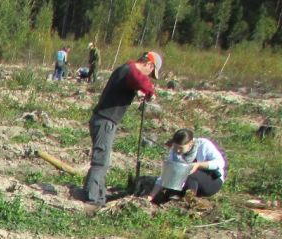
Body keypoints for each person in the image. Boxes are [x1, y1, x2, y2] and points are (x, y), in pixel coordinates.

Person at [82, 51, 161, 206]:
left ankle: (95, 193)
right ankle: (93, 200)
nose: (149, 76)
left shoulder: (125, 70)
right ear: (149, 64)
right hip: (105, 121)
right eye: (151, 72)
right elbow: (142, 82)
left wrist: (137, 92)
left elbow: (132, 84)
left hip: (102, 119)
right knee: (101, 161)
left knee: (101, 159)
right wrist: (150, 93)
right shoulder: (131, 70)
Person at [148, 128, 227, 205]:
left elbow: (220, 163)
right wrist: (151, 196)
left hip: (213, 179)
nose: (177, 150)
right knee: (168, 192)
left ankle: (190, 202)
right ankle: (176, 201)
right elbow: (166, 175)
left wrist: (198, 165)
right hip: (189, 183)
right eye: (175, 147)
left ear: (191, 143)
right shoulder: (174, 152)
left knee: (188, 172)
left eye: (181, 148)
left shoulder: (204, 145)